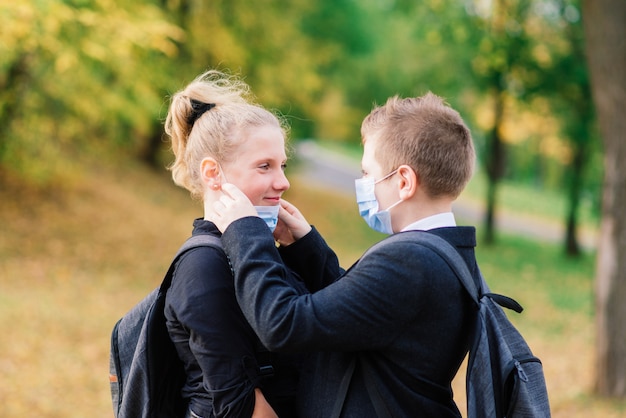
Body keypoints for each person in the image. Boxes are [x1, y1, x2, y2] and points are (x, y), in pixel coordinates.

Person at [209, 92, 479, 417]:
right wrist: (304, 244)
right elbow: (356, 313)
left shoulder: (410, 262)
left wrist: (245, 230)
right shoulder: (448, 253)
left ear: (404, 181)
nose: (364, 183)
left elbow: (282, 323)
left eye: (368, 173)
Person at [163, 69, 306, 418]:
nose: (283, 181)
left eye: (282, 165)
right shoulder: (203, 267)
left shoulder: (262, 250)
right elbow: (244, 407)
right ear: (213, 173)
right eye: (264, 167)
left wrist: (306, 246)